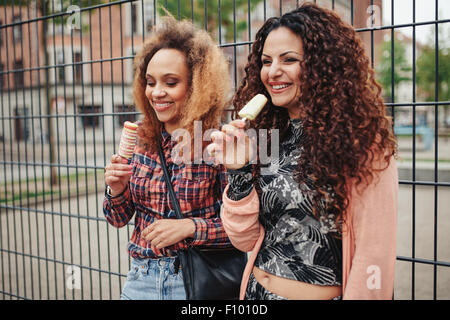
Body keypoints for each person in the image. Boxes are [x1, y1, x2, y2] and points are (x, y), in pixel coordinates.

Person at [207, 2, 398, 300]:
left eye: (289, 60)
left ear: (323, 65)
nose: (273, 72)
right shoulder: (266, 136)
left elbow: (374, 253)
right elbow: (244, 240)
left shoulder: (363, 143)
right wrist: (239, 172)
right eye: (266, 61)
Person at [103, 16, 232, 300]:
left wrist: (189, 227)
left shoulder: (218, 143)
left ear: (198, 85)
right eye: (150, 82)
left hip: (194, 283)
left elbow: (243, 227)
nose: (156, 92)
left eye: (170, 82)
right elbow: (117, 218)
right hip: (140, 280)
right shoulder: (142, 138)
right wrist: (117, 189)